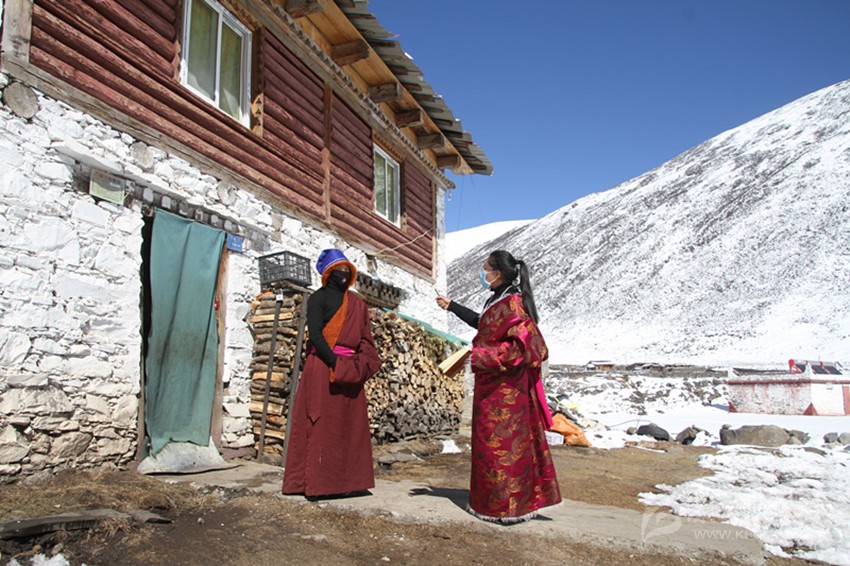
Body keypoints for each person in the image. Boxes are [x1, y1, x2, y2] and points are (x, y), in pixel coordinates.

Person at [436, 250, 561, 524]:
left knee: (501, 448)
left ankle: (507, 508)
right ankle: (490, 501)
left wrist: (480, 356)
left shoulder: (514, 303)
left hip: (507, 394)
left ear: (498, 273)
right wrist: (452, 306)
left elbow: (525, 348)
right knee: (486, 446)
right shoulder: (496, 299)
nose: (483, 275)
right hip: (491, 388)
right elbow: (484, 325)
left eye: (486, 270)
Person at [283, 249, 382, 498]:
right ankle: (318, 484)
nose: (343, 274)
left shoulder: (357, 304)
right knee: (321, 424)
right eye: (338, 270)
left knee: (350, 426)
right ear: (328, 273)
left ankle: (348, 483)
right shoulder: (318, 298)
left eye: (347, 270)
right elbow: (315, 335)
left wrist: (359, 365)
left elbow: (365, 339)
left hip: (351, 370)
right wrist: (335, 363)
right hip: (322, 366)